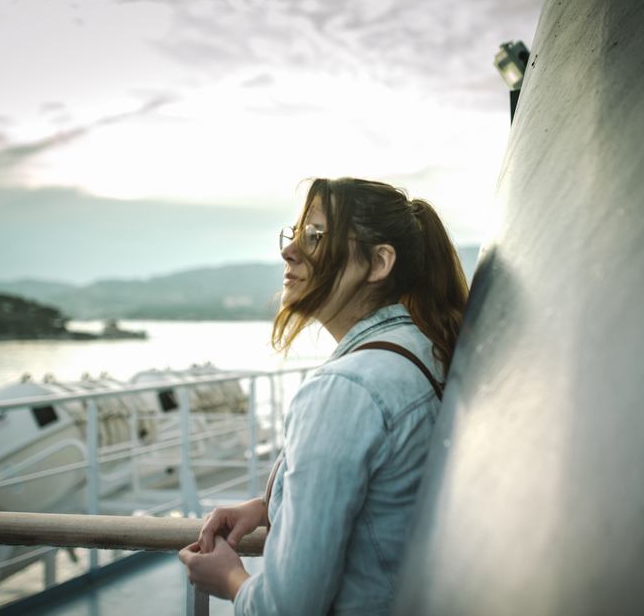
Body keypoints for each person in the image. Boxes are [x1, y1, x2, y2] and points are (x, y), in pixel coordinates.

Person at [179, 177, 468, 615]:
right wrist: (265, 508)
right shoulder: (428, 350)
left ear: (378, 263)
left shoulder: (344, 389)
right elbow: (392, 492)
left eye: (315, 237)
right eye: (294, 235)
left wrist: (229, 579)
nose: (289, 251)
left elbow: (286, 608)